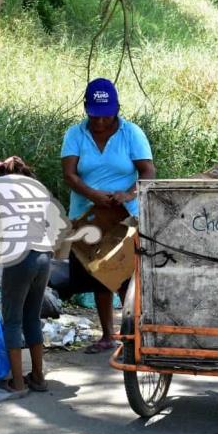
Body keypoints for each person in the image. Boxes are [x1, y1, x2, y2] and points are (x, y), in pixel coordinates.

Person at [61, 78, 155, 354]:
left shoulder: (132, 133)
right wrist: (93, 195)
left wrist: (127, 194)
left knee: (125, 277)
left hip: (124, 215)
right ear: (86, 110)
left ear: (116, 109)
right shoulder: (75, 134)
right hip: (87, 215)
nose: (100, 122)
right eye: (94, 116)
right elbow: (69, 174)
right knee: (98, 275)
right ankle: (106, 335)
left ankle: (134, 334)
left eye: (106, 116)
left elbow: (147, 171)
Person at [0, 156, 51, 393]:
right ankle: (38, 376)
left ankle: (17, 383)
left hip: (20, 258)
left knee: (12, 320)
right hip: (44, 257)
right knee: (32, 318)